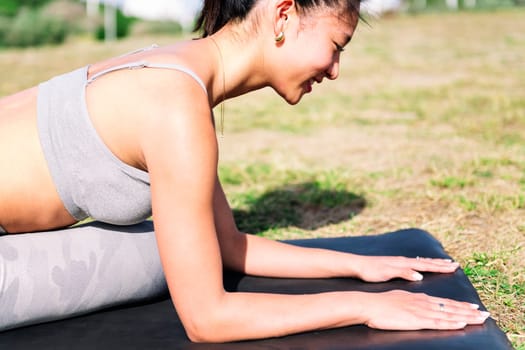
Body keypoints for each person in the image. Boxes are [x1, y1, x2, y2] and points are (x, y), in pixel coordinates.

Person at [0, 0, 489, 343]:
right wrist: (364, 306)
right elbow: (207, 318)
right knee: (156, 258)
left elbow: (227, 243)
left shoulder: (173, 73)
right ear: (283, 14)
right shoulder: (174, 108)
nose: (336, 69)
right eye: (337, 45)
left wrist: (355, 264)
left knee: (176, 252)